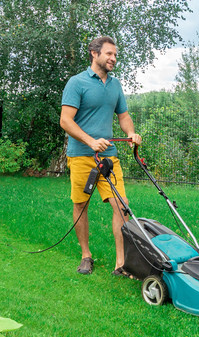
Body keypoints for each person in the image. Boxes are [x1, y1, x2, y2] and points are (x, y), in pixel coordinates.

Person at [59, 36, 143, 277]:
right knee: (80, 204)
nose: (113, 58)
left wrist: (131, 133)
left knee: (122, 206)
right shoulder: (77, 83)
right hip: (81, 156)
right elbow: (65, 120)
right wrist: (90, 141)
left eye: (115, 55)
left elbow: (123, 116)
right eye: (109, 54)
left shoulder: (115, 85)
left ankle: (121, 263)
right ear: (94, 54)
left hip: (109, 158)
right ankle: (86, 256)